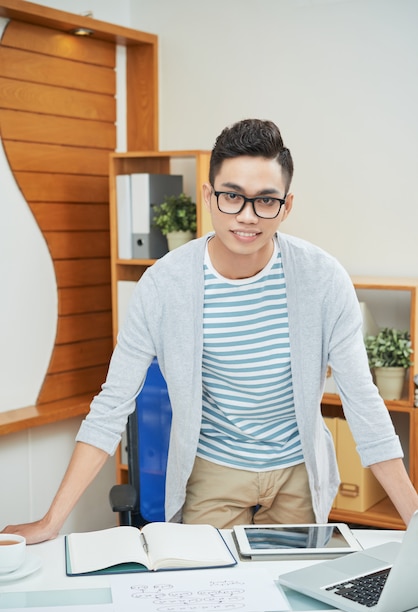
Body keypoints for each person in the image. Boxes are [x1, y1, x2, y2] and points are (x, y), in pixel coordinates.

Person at [3, 119, 418, 544]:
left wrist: (414, 521)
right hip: (213, 473)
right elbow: (112, 404)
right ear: (208, 196)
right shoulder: (164, 285)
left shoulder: (324, 279)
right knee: (212, 596)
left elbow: (363, 402)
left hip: (299, 473)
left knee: (291, 597)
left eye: (265, 201)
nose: (247, 217)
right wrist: (52, 520)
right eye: (232, 197)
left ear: (286, 206)